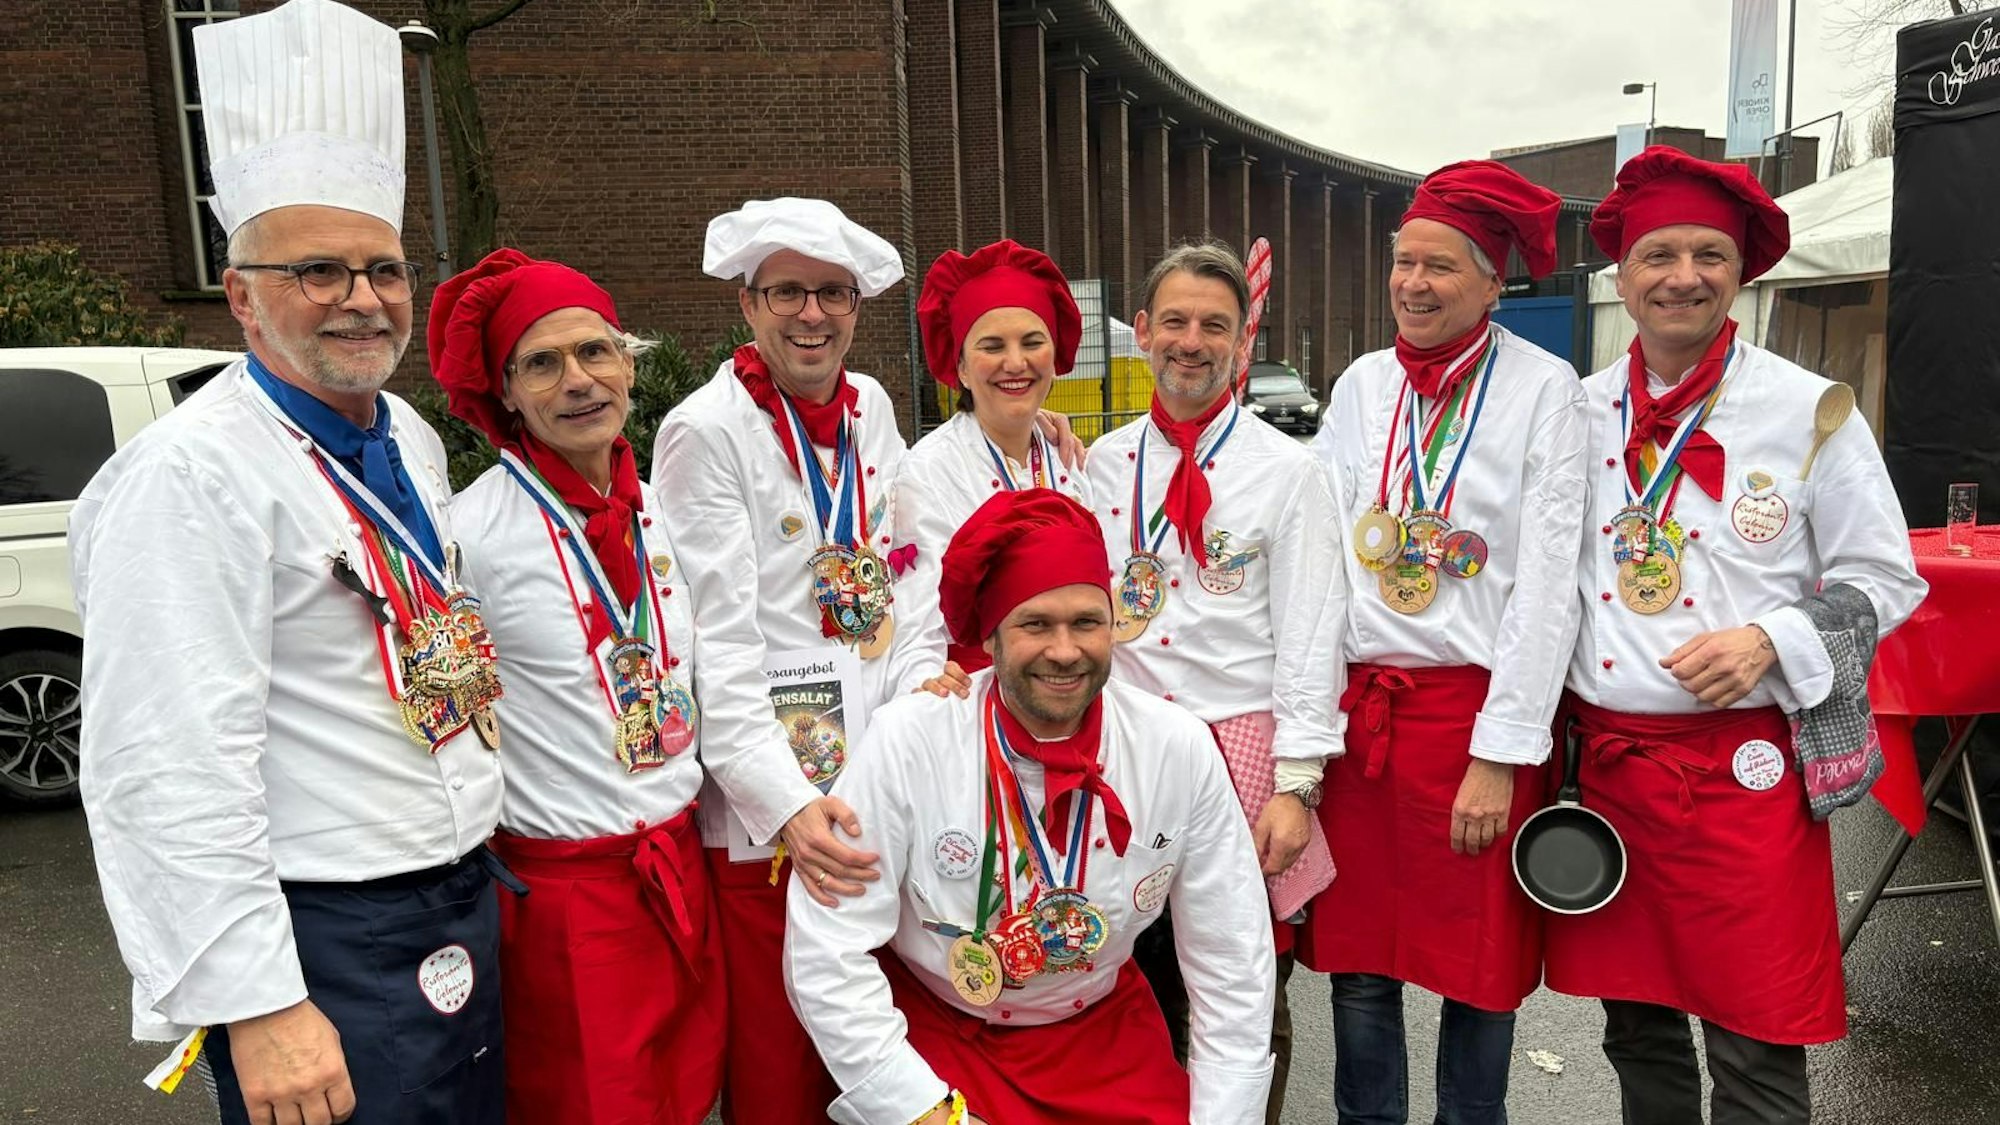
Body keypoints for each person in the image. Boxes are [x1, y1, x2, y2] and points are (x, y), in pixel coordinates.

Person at [69, 2, 508, 1122]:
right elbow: (165, 763)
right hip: (327, 936)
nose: (362, 299)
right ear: (241, 298)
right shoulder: (193, 474)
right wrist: (257, 1003)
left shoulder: (404, 434)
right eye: (317, 270)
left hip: (458, 898)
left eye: (385, 268)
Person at [1548, 145, 1926, 1125]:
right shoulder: (1574, 413)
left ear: (1739, 271)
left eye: (1707, 255)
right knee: (1634, 1033)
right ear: (1621, 278)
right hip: (1611, 773)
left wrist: (1768, 638)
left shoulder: (1809, 412)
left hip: (1742, 780)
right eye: (1658, 255)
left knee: (1755, 1038)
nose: (1682, 276)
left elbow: (1884, 578)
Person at [784, 488, 1277, 1125]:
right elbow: (827, 948)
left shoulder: (1176, 747)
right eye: (1035, 624)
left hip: (1103, 1038)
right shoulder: (909, 739)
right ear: (989, 637)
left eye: (1086, 622)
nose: (1066, 650)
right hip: (939, 1036)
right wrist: (919, 1108)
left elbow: (1231, 956)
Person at [1300, 160, 1588, 1125]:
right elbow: (1321, 561)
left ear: (1494, 282)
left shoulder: (1548, 391)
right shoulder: (1361, 385)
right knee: (1360, 972)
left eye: (1440, 268)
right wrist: (1311, 737)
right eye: (1403, 262)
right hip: (1365, 727)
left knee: (1477, 975)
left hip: (1471, 724)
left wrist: (1501, 753)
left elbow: (1549, 587)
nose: (1413, 284)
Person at [429, 249, 724, 1123]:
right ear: (508, 393)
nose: (578, 380)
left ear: (628, 363)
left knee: (685, 1092)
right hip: (568, 901)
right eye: (543, 363)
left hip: (679, 866)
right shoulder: (470, 533)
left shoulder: (664, 506)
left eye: (595, 351)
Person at [650, 197, 914, 1123]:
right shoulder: (705, 430)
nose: (814, 313)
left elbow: (899, 575)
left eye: (833, 293)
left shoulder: (872, 408)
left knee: (877, 1047)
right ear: (748, 306)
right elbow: (711, 646)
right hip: (773, 811)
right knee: (781, 1059)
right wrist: (789, 805)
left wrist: (916, 723)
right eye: (789, 291)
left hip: (877, 775)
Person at [1082, 240, 1346, 1124]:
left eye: (1216, 327)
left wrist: (1297, 786)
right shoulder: (1101, 464)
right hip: (1125, 752)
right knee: (1127, 967)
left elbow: (1312, 635)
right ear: (1144, 331)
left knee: (1239, 983)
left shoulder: (1289, 472)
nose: (1192, 342)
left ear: (1242, 343)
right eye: (1177, 321)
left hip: (1240, 753)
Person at [893, 238, 1092, 682]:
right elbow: (917, 617)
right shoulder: (928, 470)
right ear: (961, 367)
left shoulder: (1069, 461)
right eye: (992, 345)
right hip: (979, 694)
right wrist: (922, 682)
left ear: (1055, 355)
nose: (1015, 362)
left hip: (1072, 685)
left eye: (1032, 341)